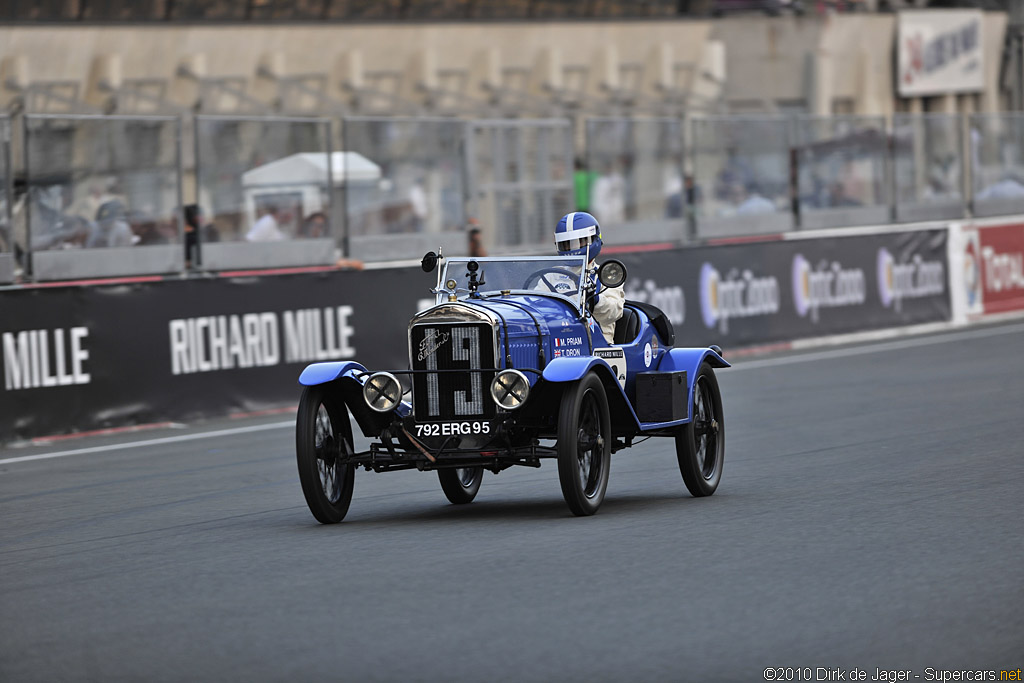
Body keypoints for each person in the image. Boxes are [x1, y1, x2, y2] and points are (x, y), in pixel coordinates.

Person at [554, 211, 624, 341]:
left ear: (594, 239)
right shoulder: (551, 275)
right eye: (567, 244)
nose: (572, 249)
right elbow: (538, 306)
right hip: (559, 340)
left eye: (578, 243)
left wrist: (595, 300)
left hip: (598, 346)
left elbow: (615, 312)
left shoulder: (607, 274)